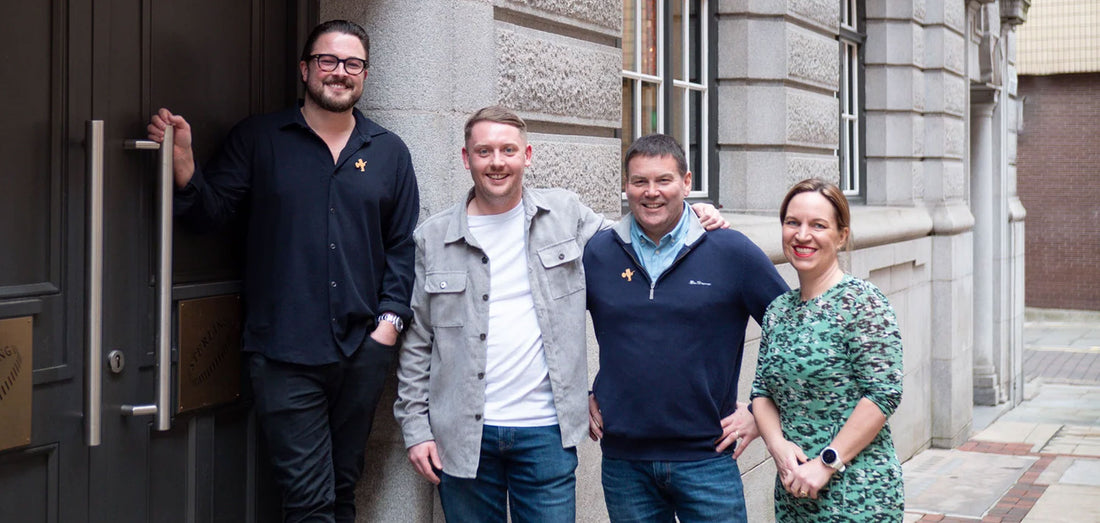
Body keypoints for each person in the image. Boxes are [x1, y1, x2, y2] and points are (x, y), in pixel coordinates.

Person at [393, 107, 726, 522]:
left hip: (547, 433)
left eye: (508, 150)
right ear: (467, 158)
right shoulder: (433, 237)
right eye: (484, 151)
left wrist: (693, 216)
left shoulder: (565, 214)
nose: (497, 162)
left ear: (527, 155)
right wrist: (416, 428)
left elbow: (636, 236)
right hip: (460, 436)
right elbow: (417, 343)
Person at [145, 20, 419, 523]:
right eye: (327, 61)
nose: (339, 73)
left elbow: (402, 247)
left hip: (363, 350)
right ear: (305, 69)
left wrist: (388, 327)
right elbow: (211, 215)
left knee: (341, 490)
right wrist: (183, 165)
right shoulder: (258, 138)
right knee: (310, 501)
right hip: (283, 353)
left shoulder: (390, 153)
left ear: (364, 74)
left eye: (352, 64)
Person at [584, 133, 789, 522]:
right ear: (625, 186)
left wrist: (763, 410)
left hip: (707, 459)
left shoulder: (731, 252)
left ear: (687, 183)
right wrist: (578, 391)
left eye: (664, 180)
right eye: (639, 181)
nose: (651, 192)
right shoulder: (599, 252)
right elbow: (553, 326)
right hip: (625, 464)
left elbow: (792, 332)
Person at [750, 178, 904, 521]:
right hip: (794, 495)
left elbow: (883, 394)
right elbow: (761, 393)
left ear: (841, 235)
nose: (802, 235)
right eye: (793, 223)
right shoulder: (778, 311)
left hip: (859, 494)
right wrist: (779, 448)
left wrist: (827, 462)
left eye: (818, 225)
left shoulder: (863, 303)